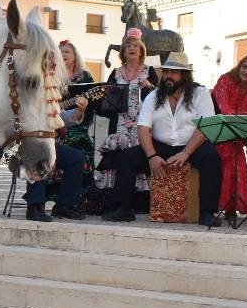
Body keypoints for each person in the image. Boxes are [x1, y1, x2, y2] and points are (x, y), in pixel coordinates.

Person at [101, 52, 222, 226]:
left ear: (184, 75)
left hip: (193, 146)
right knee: (127, 157)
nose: (168, 76)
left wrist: (186, 153)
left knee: (211, 157)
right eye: (166, 72)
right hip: (161, 146)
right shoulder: (154, 95)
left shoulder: (200, 93)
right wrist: (152, 156)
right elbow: (143, 127)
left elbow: (205, 126)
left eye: (173, 72)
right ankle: (123, 208)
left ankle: (207, 212)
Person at [95, 28, 158, 207]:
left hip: (142, 123)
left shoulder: (149, 71)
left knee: (138, 156)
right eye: (128, 46)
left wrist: (150, 86)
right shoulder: (115, 72)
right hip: (119, 122)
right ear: (123, 52)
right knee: (118, 156)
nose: (132, 48)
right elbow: (105, 99)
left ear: (141, 51)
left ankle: (139, 200)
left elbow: (160, 98)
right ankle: (116, 197)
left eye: (136, 46)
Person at [211, 54, 247, 216]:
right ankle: (219, 205)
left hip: (240, 132)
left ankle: (230, 206)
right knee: (226, 158)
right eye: (244, 66)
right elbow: (222, 104)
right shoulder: (225, 79)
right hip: (220, 127)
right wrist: (242, 122)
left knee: (235, 159)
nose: (246, 71)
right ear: (239, 66)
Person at [23, 97, 90, 222]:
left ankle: (65, 205)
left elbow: (67, 118)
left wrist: (80, 110)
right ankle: (34, 206)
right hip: (25, 143)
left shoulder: (50, 98)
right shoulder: (26, 93)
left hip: (48, 145)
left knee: (76, 157)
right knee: (39, 154)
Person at [57, 40, 97, 183]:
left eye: (67, 52)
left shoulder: (85, 76)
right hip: (55, 123)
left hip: (78, 122)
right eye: (60, 52)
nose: (63, 54)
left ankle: (82, 187)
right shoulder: (52, 74)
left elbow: (92, 103)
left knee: (79, 140)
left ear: (75, 56)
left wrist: (82, 111)